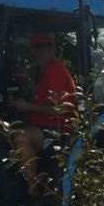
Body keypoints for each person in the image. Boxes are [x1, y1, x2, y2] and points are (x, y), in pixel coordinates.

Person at [9, 32, 76, 194]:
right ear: (33, 51)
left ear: (52, 49)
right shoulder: (45, 71)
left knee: (19, 136)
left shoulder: (54, 70)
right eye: (38, 47)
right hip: (43, 126)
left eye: (45, 47)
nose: (41, 51)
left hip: (57, 130)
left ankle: (34, 190)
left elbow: (61, 109)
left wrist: (26, 107)